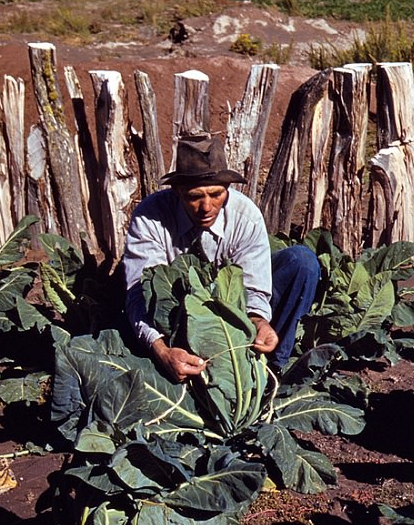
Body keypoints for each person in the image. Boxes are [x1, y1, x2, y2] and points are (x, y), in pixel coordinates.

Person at [123, 133, 320, 381]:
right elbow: (138, 294)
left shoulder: (245, 215)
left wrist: (259, 322)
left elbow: (255, 287)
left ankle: (272, 372)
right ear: (177, 191)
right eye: (194, 197)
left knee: (302, 262)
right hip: (177, 323)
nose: (206, 207)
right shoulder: (149, 217)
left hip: (233, 315)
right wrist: (162, 351)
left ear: (227, 188)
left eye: (216, 194)